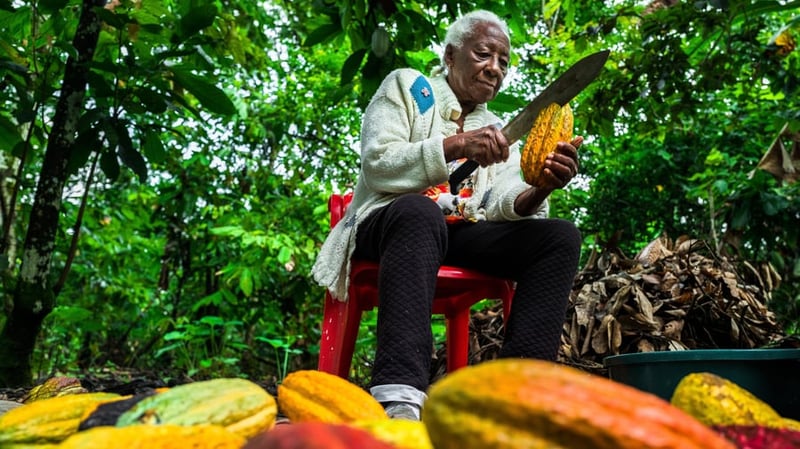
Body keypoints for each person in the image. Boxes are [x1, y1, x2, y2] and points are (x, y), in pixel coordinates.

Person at [311, 10, 582, 420]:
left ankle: (523, 398)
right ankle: (400, 396)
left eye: (503, 61)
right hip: (387, 221)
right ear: (451, 56)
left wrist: (541, 185)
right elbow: (379, 163)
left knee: (559, 238)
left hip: (458, 232)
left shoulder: (495, 126)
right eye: (484, 54)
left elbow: (503, 202)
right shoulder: (407, 87)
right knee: (419, 211)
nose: (494, 68)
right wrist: (457, 146)